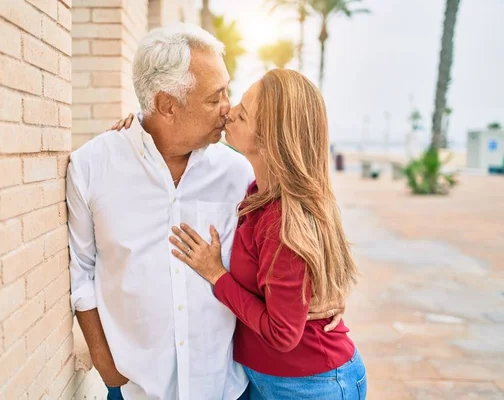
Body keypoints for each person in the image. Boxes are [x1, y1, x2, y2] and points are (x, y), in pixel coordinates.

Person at [68, 23, 343, 400]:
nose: (228, 108)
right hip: (134, 387)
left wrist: (327, 291)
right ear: (167, 105)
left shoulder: (242, 172)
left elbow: (302, 222)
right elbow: (81, 270)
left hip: (227, 387)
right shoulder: (92, 166)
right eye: (216, 97)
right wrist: (103, 360)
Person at [169, 69, 367, 399]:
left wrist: (217, 275)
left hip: (312, 387)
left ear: (269, 141)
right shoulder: (260, 191)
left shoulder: (283, 222)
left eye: (242, 116)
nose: (229, 112)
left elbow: (282, 334)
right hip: (269, 380)